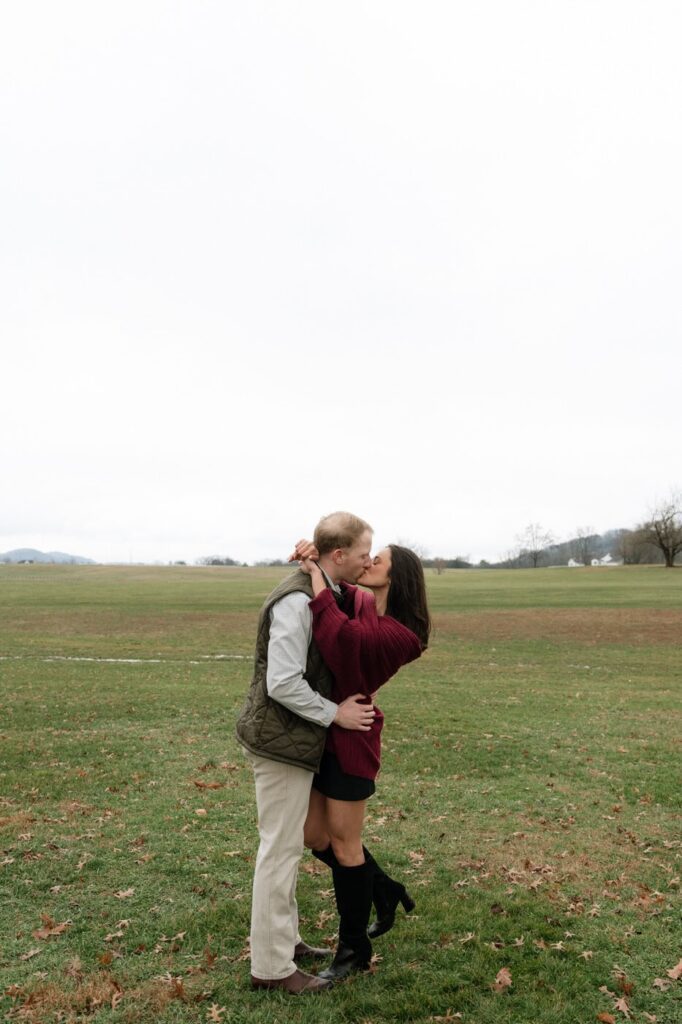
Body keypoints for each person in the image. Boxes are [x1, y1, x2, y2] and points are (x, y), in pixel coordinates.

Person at [235, 511, 375, 995]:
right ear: (339, 554)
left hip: (292, 739)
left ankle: (285, 943)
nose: (368, 560)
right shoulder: (296, 602)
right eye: (362, 553)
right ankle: (272, 970)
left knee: (287, 846)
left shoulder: (318, 586)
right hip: (280, 741)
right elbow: (282, 682)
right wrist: (334, 714)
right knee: (278, 850)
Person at [293, 540, 431, 981]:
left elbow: (344, 643)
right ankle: (383, 889)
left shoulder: (403, 636)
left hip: (355, 741)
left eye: (378, 560)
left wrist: (317, 579)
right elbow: (344, 586)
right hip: (329, 731)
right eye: (369, 557)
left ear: (397, 576)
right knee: (313, 835)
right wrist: (318, 556)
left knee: (346, 845)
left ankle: (353, 950)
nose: (369, 562)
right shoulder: (368, 605)